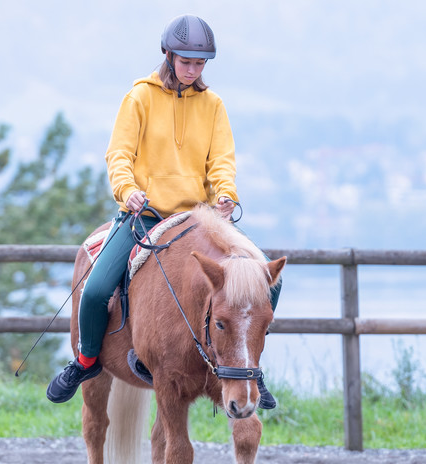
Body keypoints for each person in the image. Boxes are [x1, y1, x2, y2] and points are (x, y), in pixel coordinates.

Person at [47, 14, 280, 408]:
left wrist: (225, 194)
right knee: (97, 289)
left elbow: (221, 160)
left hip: (201, 219)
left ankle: (248, 369)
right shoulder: (139, 96)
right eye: (186, 61)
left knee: (268, 278)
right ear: (168, 55)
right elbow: (119, 154)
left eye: (200, 63)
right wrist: (128, 190)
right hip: (148, 214)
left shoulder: (213, 105)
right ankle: (86, 360)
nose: (192, 69)